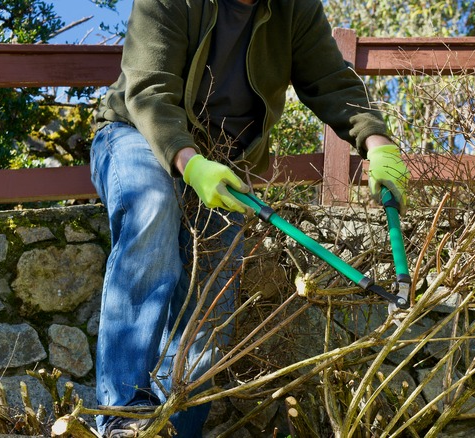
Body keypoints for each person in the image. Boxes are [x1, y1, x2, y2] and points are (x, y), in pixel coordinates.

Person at [89, 0, 410, 436]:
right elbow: (148, 90)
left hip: (223, 159)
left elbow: (329, 81)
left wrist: (377, 143)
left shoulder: (296, 9)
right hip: (135, 134)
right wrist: (189, 163)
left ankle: (175, 428)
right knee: (153, 207)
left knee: (213, 294)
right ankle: (124, 415)